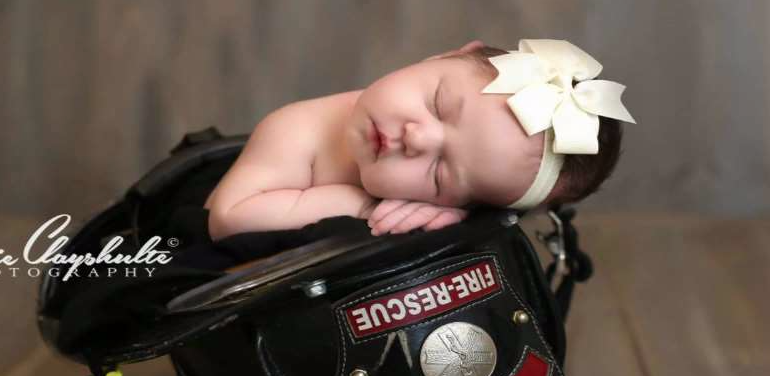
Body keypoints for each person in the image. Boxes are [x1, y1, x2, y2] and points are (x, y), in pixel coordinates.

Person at [204, 39, 635, 241]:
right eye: (438, 104)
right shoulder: (296, 129)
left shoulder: (435, 210)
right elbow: (226, 218)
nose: (417, 138)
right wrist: (364, 208)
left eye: (439, 173)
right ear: (448, 55)